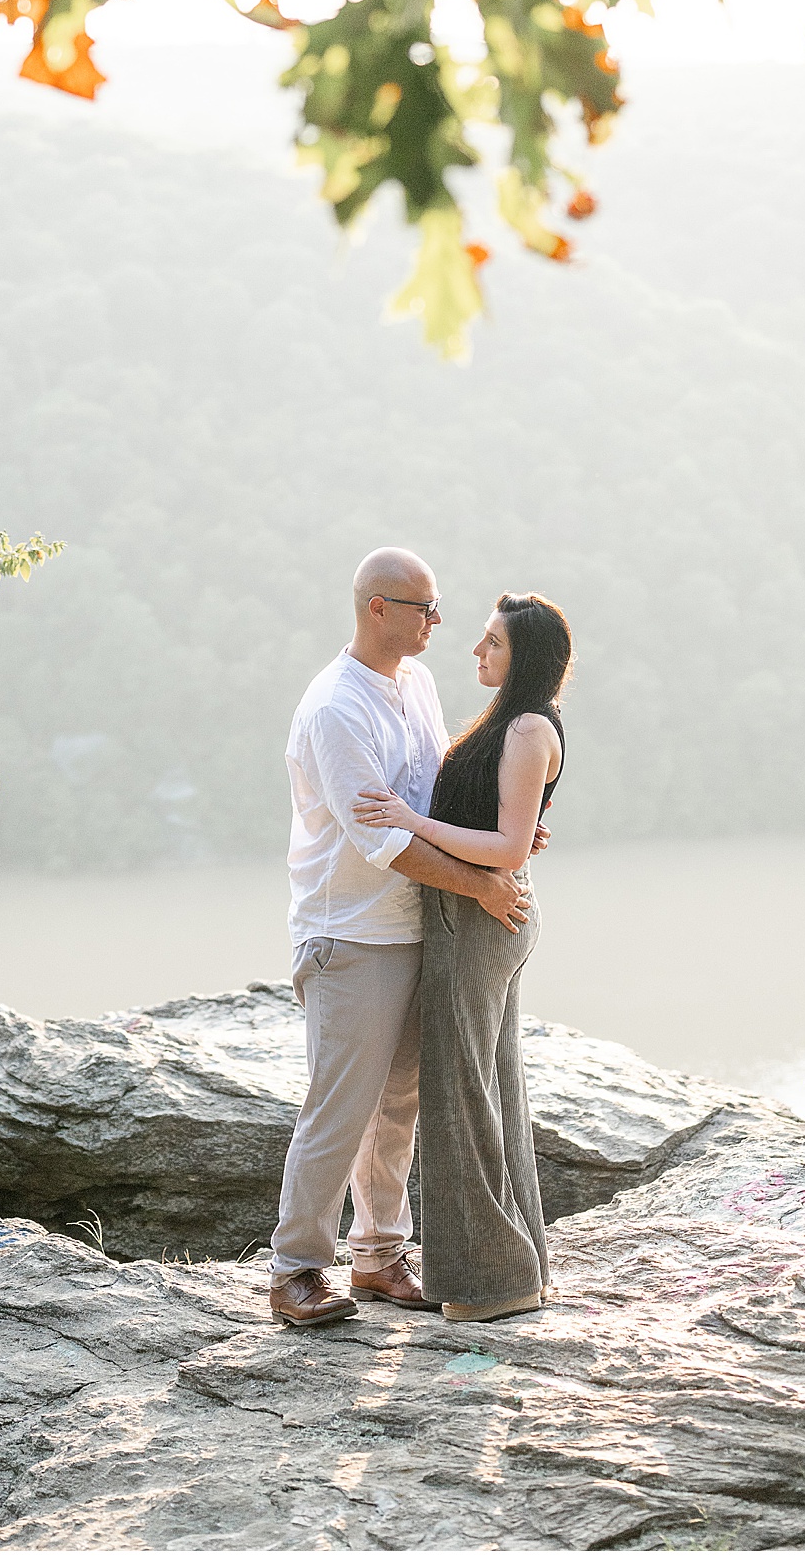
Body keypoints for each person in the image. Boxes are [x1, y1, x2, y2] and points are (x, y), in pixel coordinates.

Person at [268, 547, 535, 1329]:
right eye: (424, 608)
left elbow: (430, 793)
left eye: (438, 605)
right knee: (340, 1106)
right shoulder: (334, 709)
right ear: (376, 608)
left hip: (416, 926)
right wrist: (484, 885)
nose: (439, 623)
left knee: (399, 1107)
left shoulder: (415, 684)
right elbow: (382, 841)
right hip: (349, 935)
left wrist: (507, 836)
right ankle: (294, 1270)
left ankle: (379, 1255)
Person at [354, 591, 570, 1323]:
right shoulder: (511, 724)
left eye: (492, 644)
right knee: (489, 1090)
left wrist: (412, 821)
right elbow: (504, 826)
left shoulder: (528, 728)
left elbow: (508, 847)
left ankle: (489, 1281)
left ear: (525, 658)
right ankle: (515, 1268)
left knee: (461, 1098)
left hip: (479, 922)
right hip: (476, 916)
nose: (477, 653)